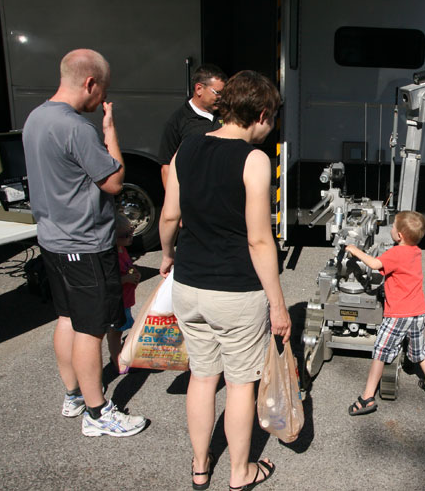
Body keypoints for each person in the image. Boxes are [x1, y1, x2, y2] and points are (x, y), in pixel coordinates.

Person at [159, 70, 290, 491]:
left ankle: (200, 465)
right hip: (235, 291)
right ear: (263, 114)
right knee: (239, 384)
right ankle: (240, 471)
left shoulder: (188, 146)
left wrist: (167, 255)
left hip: (189, 285)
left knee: (201, 376)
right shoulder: (254, 160)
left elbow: (170, 216)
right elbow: (258, 239)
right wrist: (278, 303)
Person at [22, 48, 147, 437]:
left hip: (53, 239)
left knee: (67, 318)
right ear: (90, 82)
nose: (101, 100)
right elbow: (113, 181)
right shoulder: (76, 127)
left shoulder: (36, 117)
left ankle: (74, 395)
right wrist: (110, 134)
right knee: (91, 329)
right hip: (85, 242)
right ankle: (98, 413)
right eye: (102, 90)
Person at [345, 210, 425, 415]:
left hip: (398, 315)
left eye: (393, 227)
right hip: (418, 312)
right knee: (419, 348)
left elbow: (374, 264)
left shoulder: (396, 253)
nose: (392, 229)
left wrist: (355, 250)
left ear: (399, 236)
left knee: (380, 353)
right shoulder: (416, 251)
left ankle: (367, 397)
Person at [158, 64, 227, 187]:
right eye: (217, 93)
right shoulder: (178, 121)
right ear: (199, 89)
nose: (221, 98)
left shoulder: (228, 114)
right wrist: (174, 201)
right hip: (194, 196)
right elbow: (166, 166)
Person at [107, 213, 141, 373]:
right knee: (115, 332)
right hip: (117, 301)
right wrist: (126, 278)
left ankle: (122, 354)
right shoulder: (111, 255)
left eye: (131, 232)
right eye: (125, 235)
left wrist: (134, 271)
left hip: (126, 300)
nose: (130, 237)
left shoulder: (122, 250)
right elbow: (109, 281)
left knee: (123, 329)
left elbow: (128, 266)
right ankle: (117, 360)